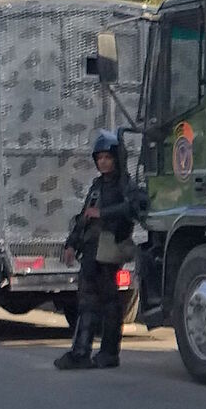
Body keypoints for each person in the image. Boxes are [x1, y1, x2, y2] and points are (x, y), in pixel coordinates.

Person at [54, 129, 142, 370]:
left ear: (116, 158)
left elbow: (134, 208)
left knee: (108, 303)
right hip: (91, 251)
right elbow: (85, 217)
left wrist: (103, 213)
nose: (103, 162)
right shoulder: (97, 186)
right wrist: (71, 244)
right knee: (88, 302)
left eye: (108, 157)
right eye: (100, 158)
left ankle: (102, 353)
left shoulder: (125, 185)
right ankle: (84, 352)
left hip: (109, 250)